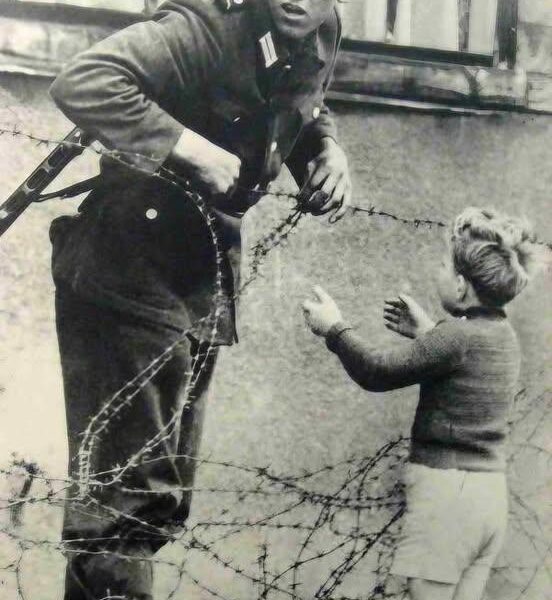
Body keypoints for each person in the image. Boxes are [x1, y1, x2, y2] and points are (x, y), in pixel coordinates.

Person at [48, 1, 351, 598]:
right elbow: (84, 80)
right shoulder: (210, 24)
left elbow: (295, 103)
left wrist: (325, 149)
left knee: (157, 504)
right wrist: (187, 146)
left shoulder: (320, 28)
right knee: (124, 507)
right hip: (130, 271)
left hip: (201, 277)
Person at [302, 207, 540, 600]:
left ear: (462, 287)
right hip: (489, 498)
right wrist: (428, 333)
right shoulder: (503, 337)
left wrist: (334, 329)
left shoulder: (454, 338)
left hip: (448, 496)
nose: (438, 272)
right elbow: (465, 368)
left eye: (445, 266)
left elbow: (377, 371)